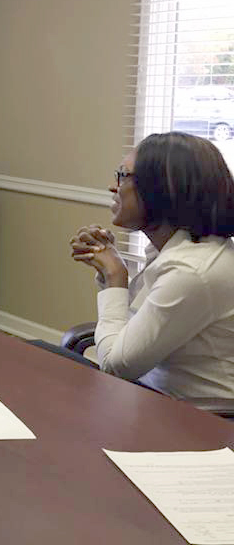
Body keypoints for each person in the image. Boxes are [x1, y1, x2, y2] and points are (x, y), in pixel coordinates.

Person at [68, 131, 234, 400]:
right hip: (154, 394)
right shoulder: (178, 251)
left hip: (200, 421)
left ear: (164, 189)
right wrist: (107, 269)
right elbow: (134, 327)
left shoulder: (192, 270)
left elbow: (115, 365)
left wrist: (115, 275)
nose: (114, 186)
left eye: (122, 175)